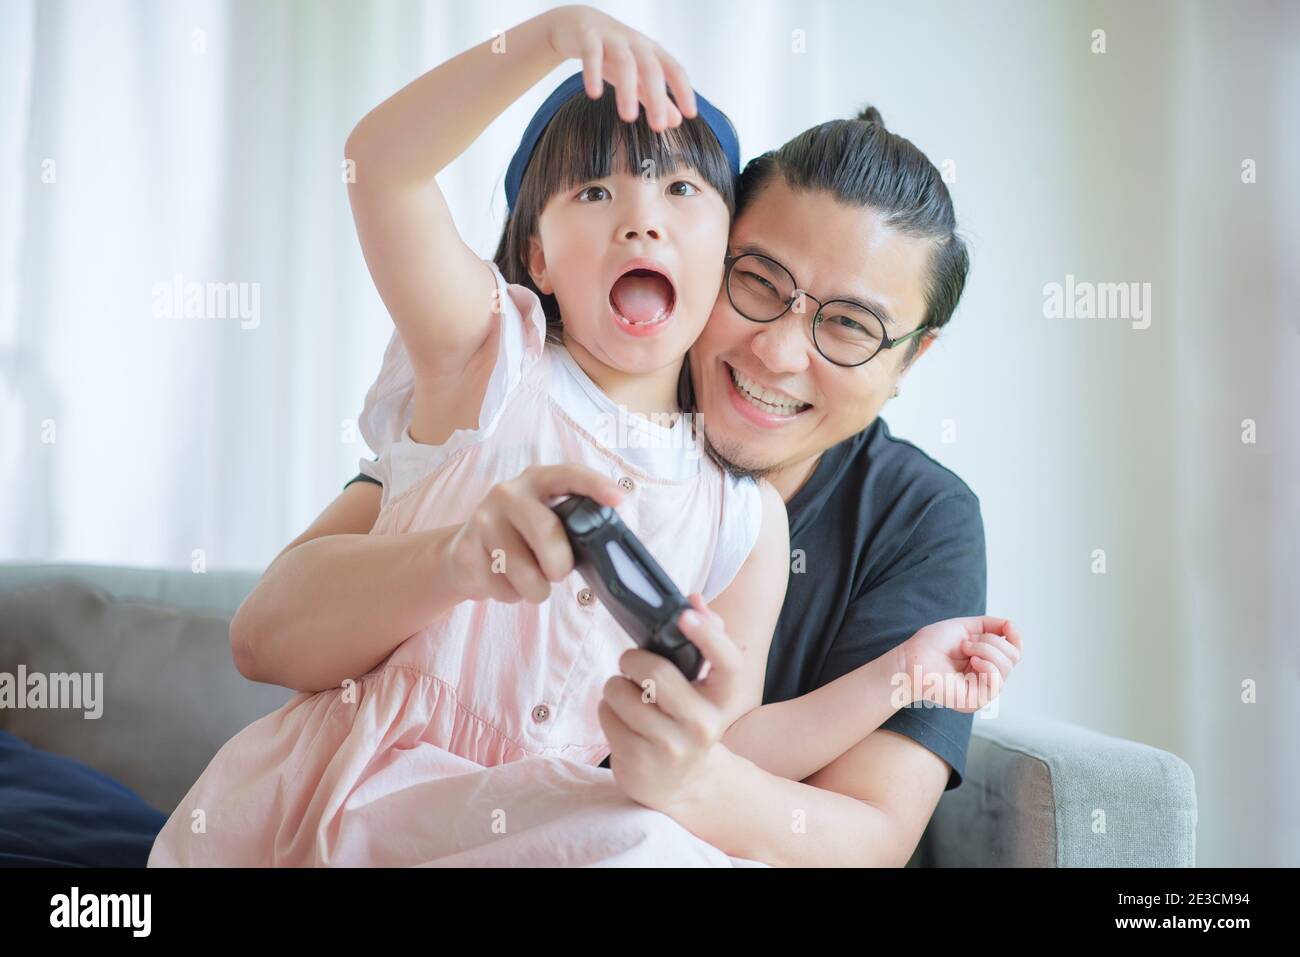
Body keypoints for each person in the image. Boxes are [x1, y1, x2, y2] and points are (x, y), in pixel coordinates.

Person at [150, 6, 1018, 867]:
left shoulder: (762, 522)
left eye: (681, 191)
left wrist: (895, 677)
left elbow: (738, 746)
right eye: (762, 282)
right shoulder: (490, 362)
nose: (782, 351)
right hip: (363, 800)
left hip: (533, 822)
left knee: (656, 840)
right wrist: (547, 36)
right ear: (534, 255)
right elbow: (381, 170)